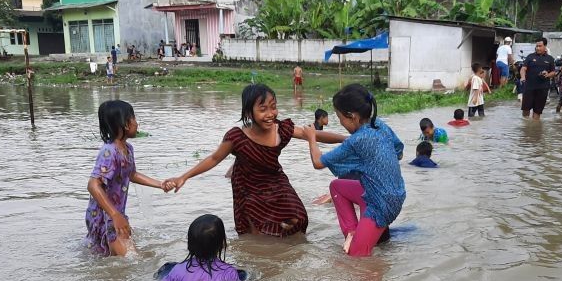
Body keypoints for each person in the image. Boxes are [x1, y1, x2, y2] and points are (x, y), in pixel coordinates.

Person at [164, 84, 345, 237]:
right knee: (256, 232)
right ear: (249, 113)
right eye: (262, 109)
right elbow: (214, 158)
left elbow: (314, 134)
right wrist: (184, 176)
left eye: (273, 107)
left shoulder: (280, 129)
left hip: (276, 180)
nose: (270, 114)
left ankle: (285, 252)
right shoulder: (236, 137)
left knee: (298, 218)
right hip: (247, 187)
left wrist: (346, 139)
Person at [302, 84, 406, 257]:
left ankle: (356, 242)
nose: (341, 123)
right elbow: (399, 153)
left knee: (357, 261)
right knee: (337, 187)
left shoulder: (356, 142)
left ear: (352, 116)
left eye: (340, 118)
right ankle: (352, 232)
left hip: (382, 204)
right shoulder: (379, 125)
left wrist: (311, 137)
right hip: (395, 193)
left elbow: (318, 162)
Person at [85, 100, 169, 256]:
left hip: (116, 212)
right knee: (132, 258)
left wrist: (160, 184)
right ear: (124, 124)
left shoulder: (128, 149)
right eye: (134, 118)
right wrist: (115, 215)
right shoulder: (109, 152)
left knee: (120, 256)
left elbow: (131, 174)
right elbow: (93, 185)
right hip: (105, 214)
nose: (137, 123)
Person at [155, 214, 247, 281]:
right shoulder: (230, 273)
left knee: (167, 267)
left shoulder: (177, 271)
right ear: (222, 244)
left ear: (190, 244)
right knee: (244, 275)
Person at [520, 37, 556, 119]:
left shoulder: (550, 59)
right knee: (526, 110)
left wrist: (547, 74)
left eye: (540, 46)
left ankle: (535, 129)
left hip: (543, 88)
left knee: (537, 111)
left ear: (545, 46)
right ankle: (525, 127)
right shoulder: (530, 57)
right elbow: (523, 69)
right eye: (536, 46)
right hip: (529, 87)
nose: (538, 48)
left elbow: (553, 72)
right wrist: (522, 77)